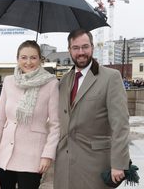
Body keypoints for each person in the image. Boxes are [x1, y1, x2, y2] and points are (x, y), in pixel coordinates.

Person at [54, 29, 130, 189]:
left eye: (85, 47)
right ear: (69, 50)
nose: (81, 52)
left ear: (92, 47)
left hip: (95, 164)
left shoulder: (111, 77)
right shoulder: (64, 81)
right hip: (64, 165)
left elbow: (120, 125)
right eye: (75, 48)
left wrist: (118, 163)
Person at [0, 40, 60, 189]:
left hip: (33, 157)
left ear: (40, 59)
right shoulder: (9, 81)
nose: (28, 62)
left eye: (33, 57)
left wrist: (47, 155)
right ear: (17, 59)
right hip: (5, 155)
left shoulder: (51, 84)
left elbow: (56, 124)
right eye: (24, 57)